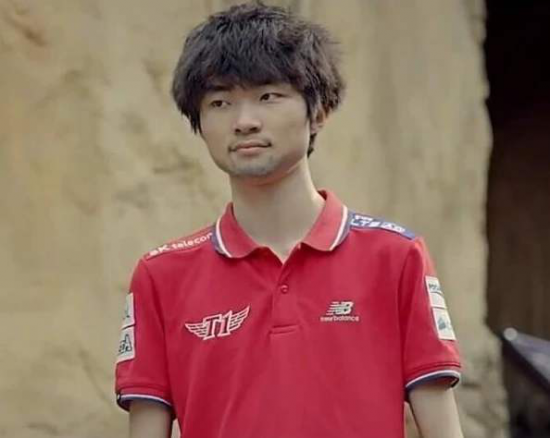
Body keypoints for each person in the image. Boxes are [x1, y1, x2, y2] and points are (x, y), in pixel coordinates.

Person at [114, 2, 464, 437]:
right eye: (220, 102)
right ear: (199, 123)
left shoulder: (395, 257)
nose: (244, 122)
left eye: (268, 97)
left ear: (319, 112)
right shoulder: (161, 276)